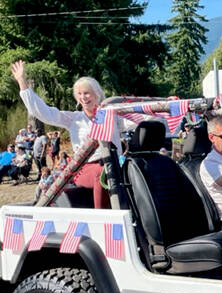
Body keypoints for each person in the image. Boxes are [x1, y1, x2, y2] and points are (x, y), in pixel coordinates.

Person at [11, 60, 137, 208]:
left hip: (114, 164)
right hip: (85, 168)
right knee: (101, 172)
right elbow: (44, 113)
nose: (83, 97)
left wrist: (167, 106)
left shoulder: (112, 116)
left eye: (87, 93)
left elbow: (139, 118)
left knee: (133, 170)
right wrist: (22, 82)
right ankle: (103, 219)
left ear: (97, 94)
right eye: (80, 94)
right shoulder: (73, 119)